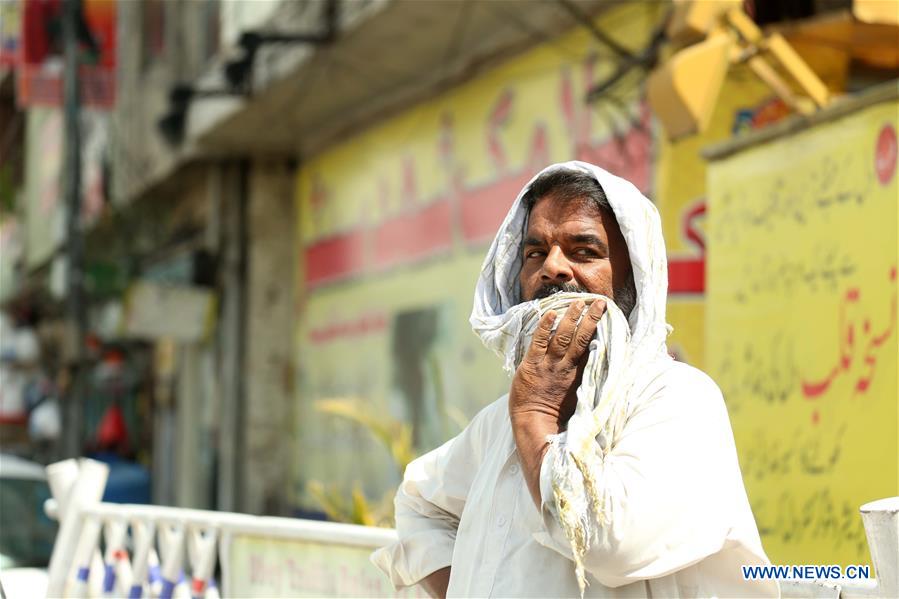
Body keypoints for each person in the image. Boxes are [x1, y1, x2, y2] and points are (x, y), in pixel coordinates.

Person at [371, 161, 778, 598]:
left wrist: (536, 414)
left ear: (635, 278)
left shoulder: (675, 399)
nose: (553, 269)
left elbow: (609, 544)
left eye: (583, 251)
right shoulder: (497, 426)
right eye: (535, 253)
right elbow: (420, 504)